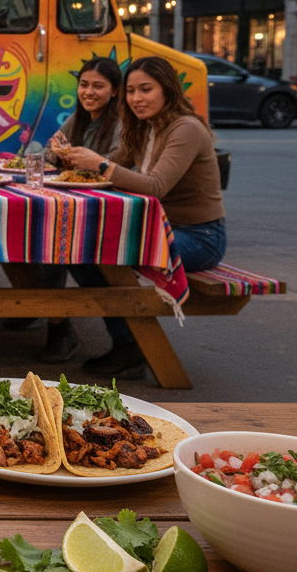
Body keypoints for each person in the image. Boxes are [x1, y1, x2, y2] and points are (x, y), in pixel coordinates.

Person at [64, 55, 226, 376]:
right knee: (77, 251)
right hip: (158, 230)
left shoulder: (186, 128)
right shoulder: (143, 128)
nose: (137, 99)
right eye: (132, 91)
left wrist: (98, 164)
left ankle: (133, 345)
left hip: (200, 237)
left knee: (102, 254)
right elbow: (111, 165)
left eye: (146, 90)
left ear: (167, 89)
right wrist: (77, 162)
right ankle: (127, 343)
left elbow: (155, 186)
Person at [24, 56, 124, 362]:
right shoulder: (79, 118)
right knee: (37, 231)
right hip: (81, 203)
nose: (89, 92)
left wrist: (78, 161)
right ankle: (35, 306)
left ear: (115, 91)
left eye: (98, 86)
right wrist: (56, 154)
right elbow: (56, 155)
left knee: (56, 239)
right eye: (84, 85)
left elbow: (111, 166)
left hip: (110, 212)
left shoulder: (121, 124)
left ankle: (59, 328)